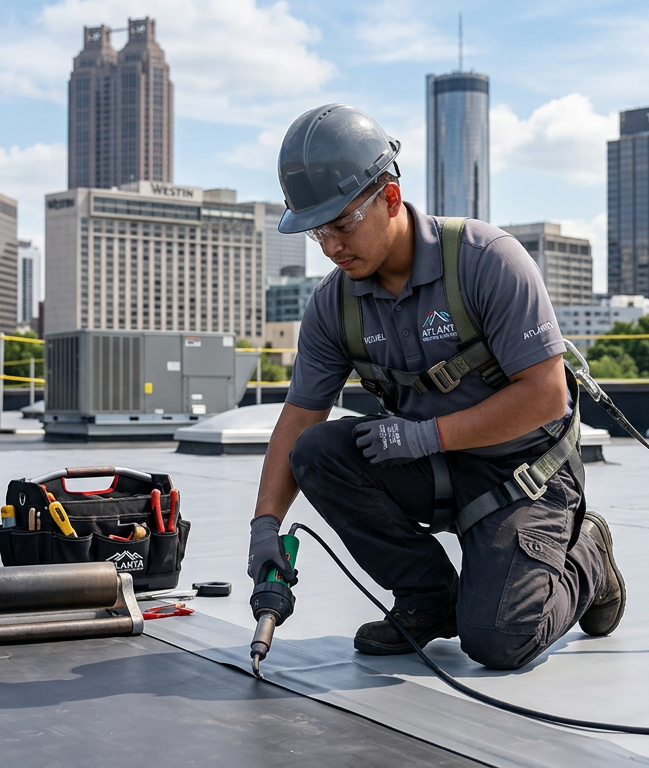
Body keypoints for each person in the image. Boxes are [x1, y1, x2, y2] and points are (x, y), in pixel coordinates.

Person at [245, 104, 626, 669]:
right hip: (433, 466)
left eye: (342, 223)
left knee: (499, 642)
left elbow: (547, 395)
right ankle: (428, 598)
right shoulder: (334, 303)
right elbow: (301, 416)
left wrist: (426, 437)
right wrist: (265, 524)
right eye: (316, 231)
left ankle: (588, 553)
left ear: (391, 199)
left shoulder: (485, 261)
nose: (330, 246)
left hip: (522, 473)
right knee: (318, 452)